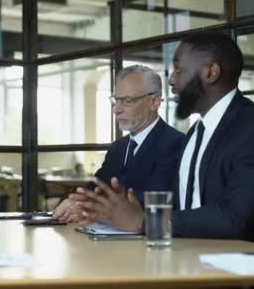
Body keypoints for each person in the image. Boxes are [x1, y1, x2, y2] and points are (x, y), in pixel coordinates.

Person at [71, 32, 254, 247]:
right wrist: (128, 206)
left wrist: (144, 221)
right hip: (191, 254)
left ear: (210, 73)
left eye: (178, 70)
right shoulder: (198, 131)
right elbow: (184, 204)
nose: (170, 80)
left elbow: (235, 218)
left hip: (245, 271)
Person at [53, 65, 185, 223]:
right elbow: (94, 190)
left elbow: (150, 201)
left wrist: (87, 208)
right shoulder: (118, 148)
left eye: (127, 101)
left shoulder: (176, 144)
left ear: (155, 101)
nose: (116, 109)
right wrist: (76, 202)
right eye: (116, 100)